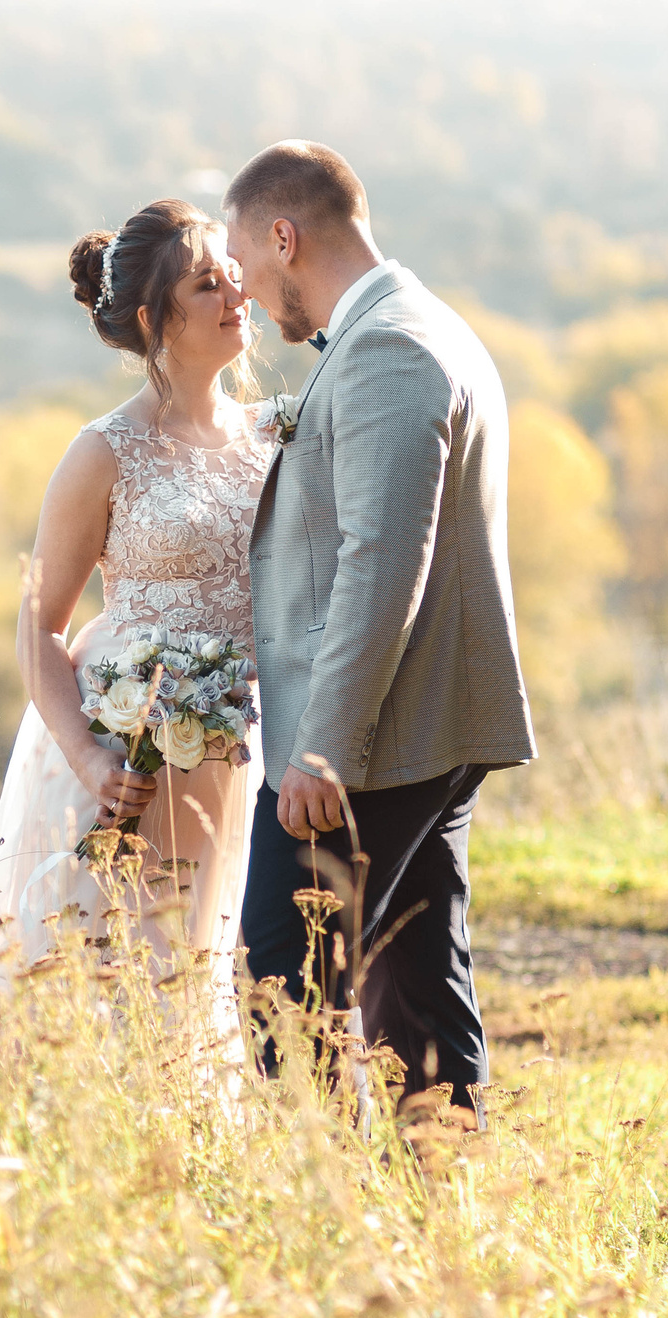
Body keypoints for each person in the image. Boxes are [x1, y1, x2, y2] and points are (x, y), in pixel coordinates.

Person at [222, 140, 535, 1115]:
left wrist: (322, 743)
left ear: (285, 235)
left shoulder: (390, 347)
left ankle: (321, 1210)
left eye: (245, 265)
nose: (248, 294)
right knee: (415, 976)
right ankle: (434, 1201)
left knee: (281, 972)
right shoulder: (425, 324)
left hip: (377, 738)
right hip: (426, 725)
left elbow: (379, 561)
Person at [0, 198, 283, 1008]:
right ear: (155, 319)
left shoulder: (271, 436)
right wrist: (90, 757)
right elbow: (38, 627)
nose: (235, 296)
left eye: (233, 277)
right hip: (127, 742)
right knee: (104, 964)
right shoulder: (104, 451)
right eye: (206, 286)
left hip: (240, 741)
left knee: (210, 956)